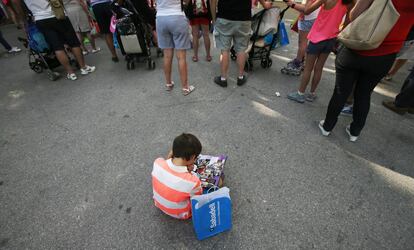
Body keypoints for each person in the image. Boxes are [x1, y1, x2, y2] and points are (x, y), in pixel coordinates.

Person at [319, 0, 414, 142]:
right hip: (386, 53)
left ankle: (327, 126)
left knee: (341, 91)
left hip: (357, 47)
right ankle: (354, 131)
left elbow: (354, 14)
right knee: (364, 94)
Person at [287, 0, 353, 103]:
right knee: (319, 68)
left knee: (308, 68)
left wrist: (294, 4)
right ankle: (312, 94)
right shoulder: (348, 2)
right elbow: (348, 20)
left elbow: (307, 10)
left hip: (317, 37)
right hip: (331, 38)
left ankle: (300, 93)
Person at [16, 0, 96, 80]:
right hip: (58, 15)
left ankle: (71, 73)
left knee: (57, 47)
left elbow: (20, 8)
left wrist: (24, 21)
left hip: (40, 19)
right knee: (73, 43)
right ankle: (83, 67)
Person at [210, 0, 272, 88]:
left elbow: (213, 1)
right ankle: (240, 77)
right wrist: (264, 4)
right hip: (244, 18)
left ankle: (223, 79)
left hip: (224, 17)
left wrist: (213, 18)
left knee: (224, 50)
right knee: (241, 50)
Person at [151, 133, 202, 219]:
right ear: (192, 157)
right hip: (182, 213)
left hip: (158, 204)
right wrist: (189, 173)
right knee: (217, 182)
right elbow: (197, 199)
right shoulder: (193, 181)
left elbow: (167, 168)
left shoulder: (157, 162)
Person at [156, 0, 195, 95]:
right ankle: (185, 88)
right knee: (181, 56)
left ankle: (168, 84)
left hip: (161, 17)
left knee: (167, 55)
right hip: (177, 16)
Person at [281, 0, 320, 76]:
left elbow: (306, 10)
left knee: (302, 42)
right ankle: (302, 60)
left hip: (307, 18)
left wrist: (292, 4)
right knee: (306, 42)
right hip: (315, 17)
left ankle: (297, 63)